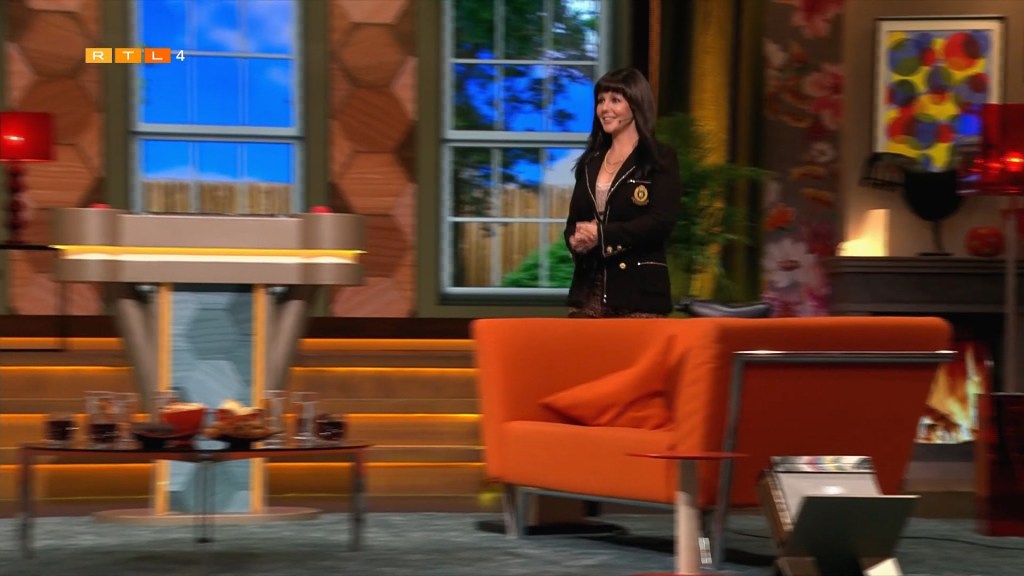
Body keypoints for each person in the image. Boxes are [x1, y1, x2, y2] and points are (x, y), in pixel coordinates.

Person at [564, 67, 682, 318]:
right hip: (588, 293)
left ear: (636, 105)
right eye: (601, 101)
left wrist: (602, 235)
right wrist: (576, 240)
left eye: (615, 100)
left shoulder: (659, 158)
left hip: (639, 294)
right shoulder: (590, 161)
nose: (605, 108)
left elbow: (661, 222)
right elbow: (573, 223)